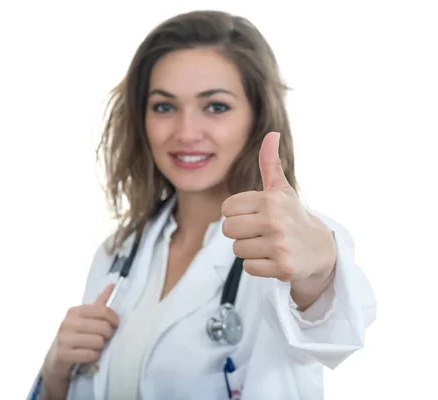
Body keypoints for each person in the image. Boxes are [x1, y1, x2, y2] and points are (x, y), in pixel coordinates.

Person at [26, 9, 376, 400]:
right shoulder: (115, 254)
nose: (186, 132)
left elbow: (332, 327)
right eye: (164, 106)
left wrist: (320, 268)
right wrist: (55, 378)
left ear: (256, 116)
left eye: (216, 106)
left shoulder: (286, 245)